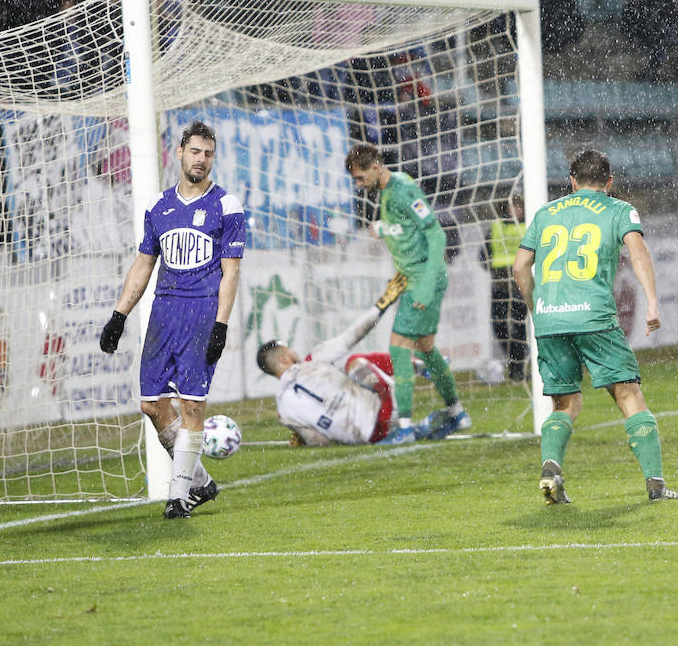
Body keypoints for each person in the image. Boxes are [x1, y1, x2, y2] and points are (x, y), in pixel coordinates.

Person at [511, 148, 678, 505]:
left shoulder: (545, 213)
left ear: (572, 180)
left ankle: (551, 465)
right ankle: (655, 484)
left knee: (565, 402)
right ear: (609, 181)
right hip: (593, 317)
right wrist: (651, 300)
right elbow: (638, 253)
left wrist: (536, 306)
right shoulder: (619, 210)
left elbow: (520, 266)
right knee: (628, 394)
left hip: (551, 319)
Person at [99, 121, 245, 518]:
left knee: (193, 406)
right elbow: (144, 263)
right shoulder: (157, 207)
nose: (202, 160)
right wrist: (119, 315)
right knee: (151, 404)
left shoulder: (226, 206)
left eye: (209, 154)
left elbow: (230, 271)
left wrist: (221, 323)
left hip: (201, 314)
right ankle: (200, 482)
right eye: (195, 151)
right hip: (163, 313)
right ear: (180, 153)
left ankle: (179, 496)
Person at [345, 143, 468, 445]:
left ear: (376, 167)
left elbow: (435, 233)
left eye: (361, 178)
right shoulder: (390, 190)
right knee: (426, 347)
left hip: (423, 278)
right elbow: (405, 227)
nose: (359, 185)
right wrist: (383, 229)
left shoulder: (401, 189)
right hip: (415, 277)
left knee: (399, 347)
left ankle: (404, 427)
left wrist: (425, 285)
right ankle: (456, 413)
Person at [257, 274, 449, 446]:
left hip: (366, 437)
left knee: (344, 373)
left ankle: (408, 429)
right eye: (289, 350)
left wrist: (307, 437)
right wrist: (383, 303)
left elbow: (319, 441)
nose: (294, 351)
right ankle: (419, 369)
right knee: (354, 362)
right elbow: (353, 335)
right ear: (283, 358)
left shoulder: (283, 411)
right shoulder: (311, 360)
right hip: (383, 410)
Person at [480, 193, 527, 381]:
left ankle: (518, 368)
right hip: (500, 285)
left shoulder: (528, 226)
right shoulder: (495, 227)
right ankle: (514, 360)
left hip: (520, 285)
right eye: (511, 206)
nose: (514, 210)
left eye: (518, 206)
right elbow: (483, 254)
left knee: (519, 327)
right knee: (498, 326)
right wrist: (494, 270)